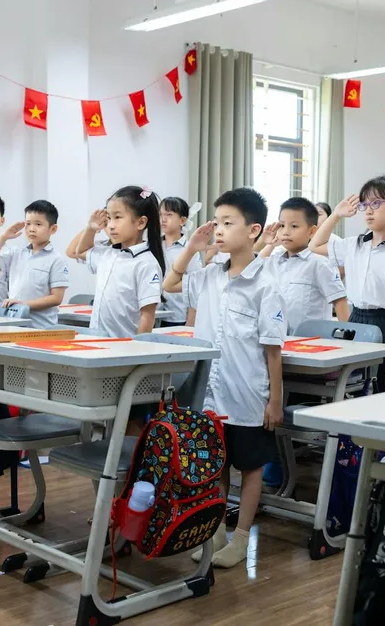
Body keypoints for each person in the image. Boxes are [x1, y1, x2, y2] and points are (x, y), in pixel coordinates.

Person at [162, 187, 284, 569]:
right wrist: (191, 248)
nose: (218, 230)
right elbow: (170, 284)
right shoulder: (209, 276)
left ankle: (242, 536)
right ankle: (215, 531)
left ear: (253, 230)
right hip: (211, 394)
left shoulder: (265, 284)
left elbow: (273, 349)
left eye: (228, 223)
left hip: (247, 393)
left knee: (250, 467)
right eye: (216, 223)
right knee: (215, 465)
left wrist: (275, 400)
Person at [312, 176, 385, 390]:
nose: (368, 211)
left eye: (376, 204)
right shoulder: (354, 245)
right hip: (357, 321)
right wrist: (336, 215)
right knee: (356, 388)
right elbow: (315, 245)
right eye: (364, 205)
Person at [66, 186, 165, 337]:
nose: (111, 225)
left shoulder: (146, 263)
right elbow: (80, 251)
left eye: (118, 217)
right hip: (97, 340)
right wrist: (91, 228)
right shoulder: (107, 253)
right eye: (109, 218)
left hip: (125, 346)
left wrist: (138, 346)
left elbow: (147, 315)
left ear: (141, 222)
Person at [257, 197, 348, 330]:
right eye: (282, 225)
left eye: (294, 226)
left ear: (312, 231)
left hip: (311, 339)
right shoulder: (273, 260)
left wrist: (348, 336)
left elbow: (339, 301)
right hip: (276, 337)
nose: (286, 231)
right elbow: (249, 271)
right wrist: (269, 244)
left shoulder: (319, 263)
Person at [0, 200, 70, 328]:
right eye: (28, 224)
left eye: (38, 224)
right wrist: (3, 237)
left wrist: (23, 304)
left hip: (41, 328)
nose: (31, 229)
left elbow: (56, 298)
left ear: (53, 229)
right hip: (14, 325)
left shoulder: (56, 259)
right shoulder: (16, 253)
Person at [159, 196, 200, 327]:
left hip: (177, 317)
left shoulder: (189, 250)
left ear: (182, 220)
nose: (163, 219)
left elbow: (194, 286)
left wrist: (191, 322)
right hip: (154, 315)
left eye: (169, 215)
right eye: (161, 214)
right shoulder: (153, 246)